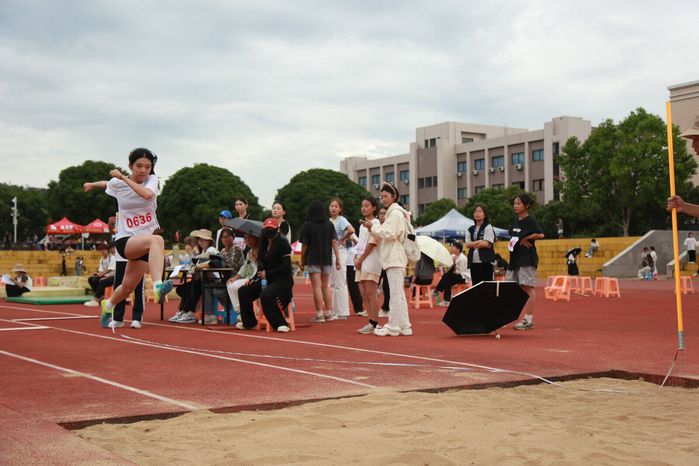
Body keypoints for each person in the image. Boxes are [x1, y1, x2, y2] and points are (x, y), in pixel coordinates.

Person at [83, 148, 173, 329]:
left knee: (127, 287)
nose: (143, 170)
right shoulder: (118, 183)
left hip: (143, 244)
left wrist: (123, 178)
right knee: (157, 240)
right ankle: (158, 286)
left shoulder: (152, 180)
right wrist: (92, 184)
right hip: (125, 240)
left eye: (147, 167)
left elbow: (147, 195)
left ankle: (107, 305)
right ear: (131, 166)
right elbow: (107, 184)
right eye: (139, 166)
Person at [361, 182, 412, 337]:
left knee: (395, 294)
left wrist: (372, 227)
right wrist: (374, 228)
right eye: (381, 196)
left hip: (394, 256)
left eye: (386, 196)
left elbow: (389, 234)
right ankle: (404, 325)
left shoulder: (395, 213)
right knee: (398, 294)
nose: (383, 199)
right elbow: (387, 232)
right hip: (394, 256)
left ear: (394, 196)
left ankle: (394, 326)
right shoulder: (395, 212)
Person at [236, 218, 293, 333]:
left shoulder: (283, 243)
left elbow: (287, 267)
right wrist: (253, 278)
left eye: (271, 229)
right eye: (266, 229)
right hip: (267, 279)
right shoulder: (263, 243)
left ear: (277, 230)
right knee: (243, 291)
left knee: (266, 295)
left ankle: (281, 324)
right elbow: (261, 265)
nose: (268, 232)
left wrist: (268, 273)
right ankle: (249, 323)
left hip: (282, 280)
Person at [508, 192, 545, 330]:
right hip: (514, 258)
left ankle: (528, 319)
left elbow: (541, 234)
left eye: (519, 203)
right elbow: (513, 235)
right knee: (510, 287)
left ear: (526, 205)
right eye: (514, 203)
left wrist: (526, 238)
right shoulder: (515, 220)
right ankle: (507, 316)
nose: (515, 206)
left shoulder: (530, 220)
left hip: (526, 258)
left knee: (528, 287)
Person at [300, 200, 340, 323]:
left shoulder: (307, 225)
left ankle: (319, 314)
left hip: (313, 258)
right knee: (326, 286)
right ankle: (329, 313)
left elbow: (305, 245)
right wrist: (338, 258)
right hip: (327, 258)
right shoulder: (329, 224)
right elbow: (334, 241)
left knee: (316, 286)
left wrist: (302, 259)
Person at [170, 229, 218, 324]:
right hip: (204, 279)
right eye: (199, 240)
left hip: (213, 279)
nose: (201, 242)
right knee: (182, 288)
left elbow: (201, 262)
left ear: (209, 241)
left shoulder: (211, 249)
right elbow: (192, 267)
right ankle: (184, 310)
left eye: (204, 240)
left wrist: (194, 254)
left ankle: (190, 312)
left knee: (194, 286)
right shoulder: (202, 251)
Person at [199, 228, 244, 325]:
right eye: (223, 237)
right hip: (225, 278)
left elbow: (232, 265)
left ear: (233, 237)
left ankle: (231, 308)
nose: (225, 239)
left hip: (237, 277)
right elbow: (221, 262)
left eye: (227, 237)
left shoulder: (236, 249)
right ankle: (210, 315)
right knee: (207, 287)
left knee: (218, 291)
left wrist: (221, 260)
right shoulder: (223, 250)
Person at [108, 214, 146, 328]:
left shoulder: (140, 212)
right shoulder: (119, 213)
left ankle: (137, 318)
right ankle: (118, 318)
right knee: (119, 285)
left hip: (137, 252)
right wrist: (111, 225)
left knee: (138, 286)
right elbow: (113, 232)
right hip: (121, 255)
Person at [354, 197, 382, 333]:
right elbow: (361, 243)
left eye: (367, 206)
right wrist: (356, 257)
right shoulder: (362, 225)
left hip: (371, 261)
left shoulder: (375, 223)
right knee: (364, 294)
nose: (363, 208)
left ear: (374, 208)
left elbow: (372, 243)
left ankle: (374, 322)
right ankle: (370, 321)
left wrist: (361, 259)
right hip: (361, 261)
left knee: (371, 293)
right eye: (362, 206)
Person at [328, 198, 355, 320]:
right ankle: (335, 311)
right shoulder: (329, 221)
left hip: (340, 252)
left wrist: (343, 238)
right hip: (330, 252)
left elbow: (352, 230)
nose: (333, 208)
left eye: (336, 206)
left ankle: (343, 312)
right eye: (331, 206)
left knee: (340, 282)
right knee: (333, 283)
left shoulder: (341, 219)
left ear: (340, 209)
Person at [226, 233, 260, 321]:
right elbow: (244, 267)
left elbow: (262, 267)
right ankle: (240, 311)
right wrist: (236, 277)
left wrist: (256, 259)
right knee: (230, 283)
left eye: (250, 238)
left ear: (256, 239)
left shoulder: (261, 251)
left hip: (257, 278)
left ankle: (243, 312)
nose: (247, 241)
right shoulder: (249, 252)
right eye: (245, 238)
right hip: (249, 277)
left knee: (237, 286)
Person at [465, 204, 495, 285]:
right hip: (473, 261)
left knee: (487, 285)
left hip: (486, 261)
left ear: (484, 215)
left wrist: (473, 244)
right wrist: (479, 242)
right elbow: (467, 244)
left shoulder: (488, 227)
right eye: (475, 212)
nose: (477, 213)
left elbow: (485, 243)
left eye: (480, 211)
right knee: (476, 285)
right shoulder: (470, 229)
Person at [377, 206, 390, 317]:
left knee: (386, 285)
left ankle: (386, 308)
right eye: (381, 213)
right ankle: (371, 307)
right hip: (376, 259)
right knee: (372, 284)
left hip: (386, 260)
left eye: (384, 213)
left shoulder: (389, 228)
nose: (382, 216)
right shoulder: (375, 226)